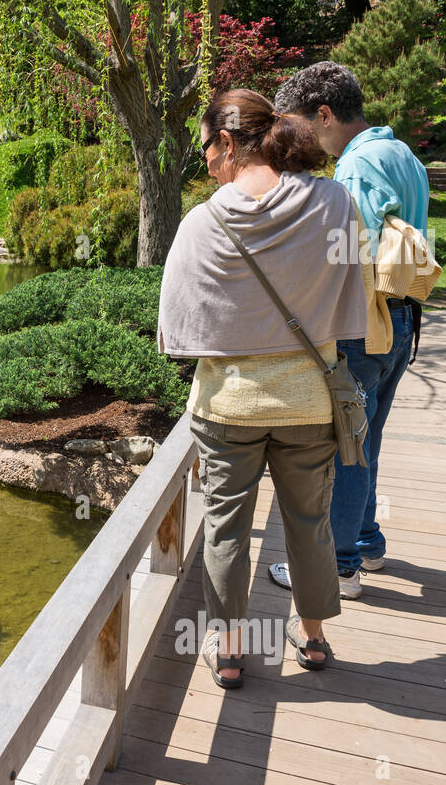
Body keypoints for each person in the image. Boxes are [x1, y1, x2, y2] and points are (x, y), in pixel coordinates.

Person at [158, 89, 373, 688]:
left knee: (226, 528)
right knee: (311, 523)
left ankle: (229, 653)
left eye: (205, 148)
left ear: (227, 142)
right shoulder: (334, 203)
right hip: (310, 400)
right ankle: (316, 639)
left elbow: (176, 327)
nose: (204, 162)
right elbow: (353, 287)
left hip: (228, 406)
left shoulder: (202, 222)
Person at [269, 62, 433, 597]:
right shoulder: (403, 154)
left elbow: (351, 261)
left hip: (366, 322)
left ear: (323, 113)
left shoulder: (357, 167)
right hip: (402, 317)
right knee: (368, 434)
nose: (295, 139)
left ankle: (337, 567)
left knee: (345, 444)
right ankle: (366, 541)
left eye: (299, 125)